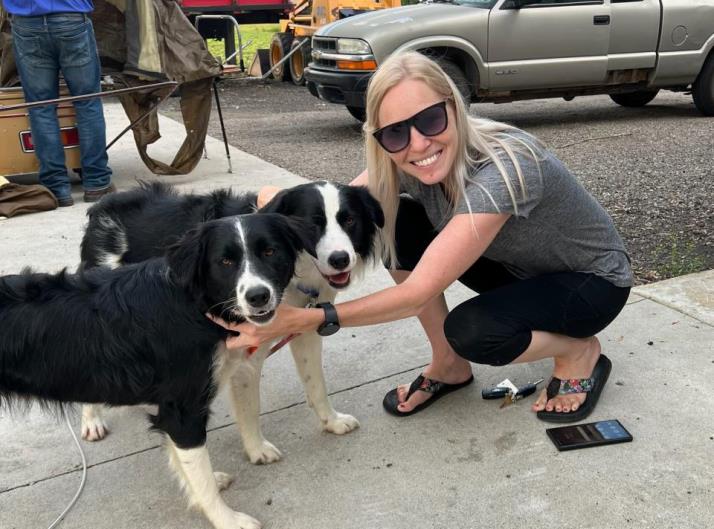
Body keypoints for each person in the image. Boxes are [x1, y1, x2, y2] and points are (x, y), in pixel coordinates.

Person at [211, 52, 633, 423]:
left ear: (455, 106)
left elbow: (418, 291)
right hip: (521, 271)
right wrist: (272, 208)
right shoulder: (403, 162)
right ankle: (449, 365)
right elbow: (341, 203)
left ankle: (578, 352)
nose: (418, 144)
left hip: (591, 284)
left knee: (473, 330)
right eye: (395, 133)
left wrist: (311, 318)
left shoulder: (508, 166)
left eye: (430, 119)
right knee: (394, 220)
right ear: (379, 139)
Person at [5, 0, 114, 207]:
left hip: (27, 23)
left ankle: (56, 187)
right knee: (86, 102)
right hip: (72, 19)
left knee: (41, 106)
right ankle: (96, 182)